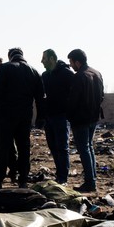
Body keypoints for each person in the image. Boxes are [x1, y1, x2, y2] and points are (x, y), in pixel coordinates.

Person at [0, 48, 44, 191]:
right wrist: (41, 117)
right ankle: (23, 180)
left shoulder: (5, 68)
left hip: (7, 115)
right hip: (25, 116)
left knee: (2, 148)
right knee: (24, 148)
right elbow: (41, 98)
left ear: (10, 57)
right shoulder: (34, 71)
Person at [66, 48, 104, 193]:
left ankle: (90, 182)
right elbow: (101, 96)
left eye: (71, 62)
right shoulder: (97, 74)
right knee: (89, 148)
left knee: (84, 149)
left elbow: (73, 100)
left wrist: (69, 115)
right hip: (93, 118)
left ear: (77, 61)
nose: (71, 66)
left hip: (81, 119)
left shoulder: (79, 76)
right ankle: (92, 179)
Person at [41, 49, 74, 185]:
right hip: (49, 117)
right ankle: (59, 175)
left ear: (52, 59)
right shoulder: (44, 75)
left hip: (62, 116)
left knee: (62, 147)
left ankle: (63, 177)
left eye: (44, 58)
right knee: (53, 147)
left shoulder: (67, 74)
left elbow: (74, 95)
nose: (42, 61)